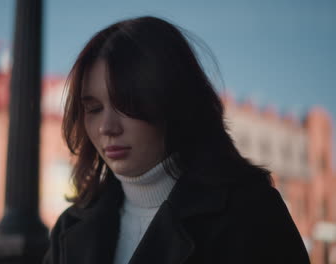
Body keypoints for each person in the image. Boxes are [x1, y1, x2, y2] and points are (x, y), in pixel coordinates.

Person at [43, 16, 310, 264]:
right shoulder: (71, 227)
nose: (107, 127)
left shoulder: (251, 214)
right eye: (94, 109)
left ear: (173, 102)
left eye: (126, 104)